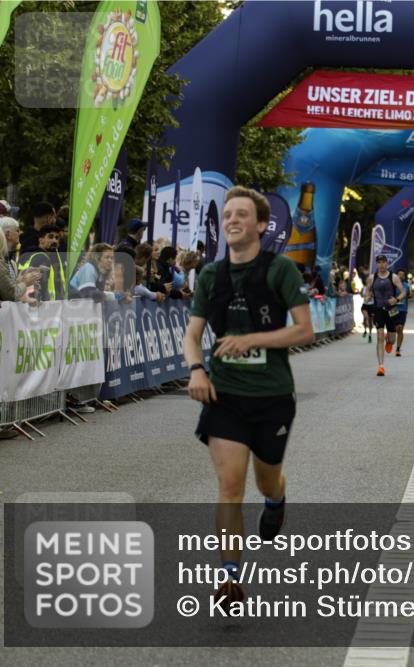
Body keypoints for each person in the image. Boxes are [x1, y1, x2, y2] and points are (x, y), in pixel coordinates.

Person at [182, 186, 313, 610]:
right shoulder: (209, 276)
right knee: (230, 486)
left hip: (272, 395)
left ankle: (276, 500)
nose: (233, 220)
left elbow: (304, 330)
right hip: (225, 395)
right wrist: (197, 369)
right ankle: (230, 576)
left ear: (260, 225)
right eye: (228, 215)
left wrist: (250, 339)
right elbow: (193, 334)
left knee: (265, 478)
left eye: (242, 215)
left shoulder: (280, 271)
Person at [365, 254, 406, 376]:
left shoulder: (393, 277)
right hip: (378, 309)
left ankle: (390, 341)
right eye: (379, 262)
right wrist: (368, 296)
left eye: (383, 262)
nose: (381, 265)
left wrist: (397, 299)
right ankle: (381, 366)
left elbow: (403, 292)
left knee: (392, 340)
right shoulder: (372, 278)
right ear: (376, 264)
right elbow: (368, 289)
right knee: (379, 336)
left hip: (392, 310)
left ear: (387, 264)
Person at [18, 224, 68, 301]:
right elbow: (34, 285)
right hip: (42, 307)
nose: (54, 241)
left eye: (57, 238)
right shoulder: (40, 257)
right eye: (50, 237)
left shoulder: (53, 257)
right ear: (41, 240)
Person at [394, 269, 412, 356]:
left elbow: (409, 297)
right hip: (393, 309)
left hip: (403, 310)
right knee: (393, 328)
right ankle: (389, 338)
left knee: (400, 328)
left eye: (402, 275)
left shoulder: (406, 286)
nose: (401, 276)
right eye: (399, 274)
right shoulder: (393, 285)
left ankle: (398, 349)